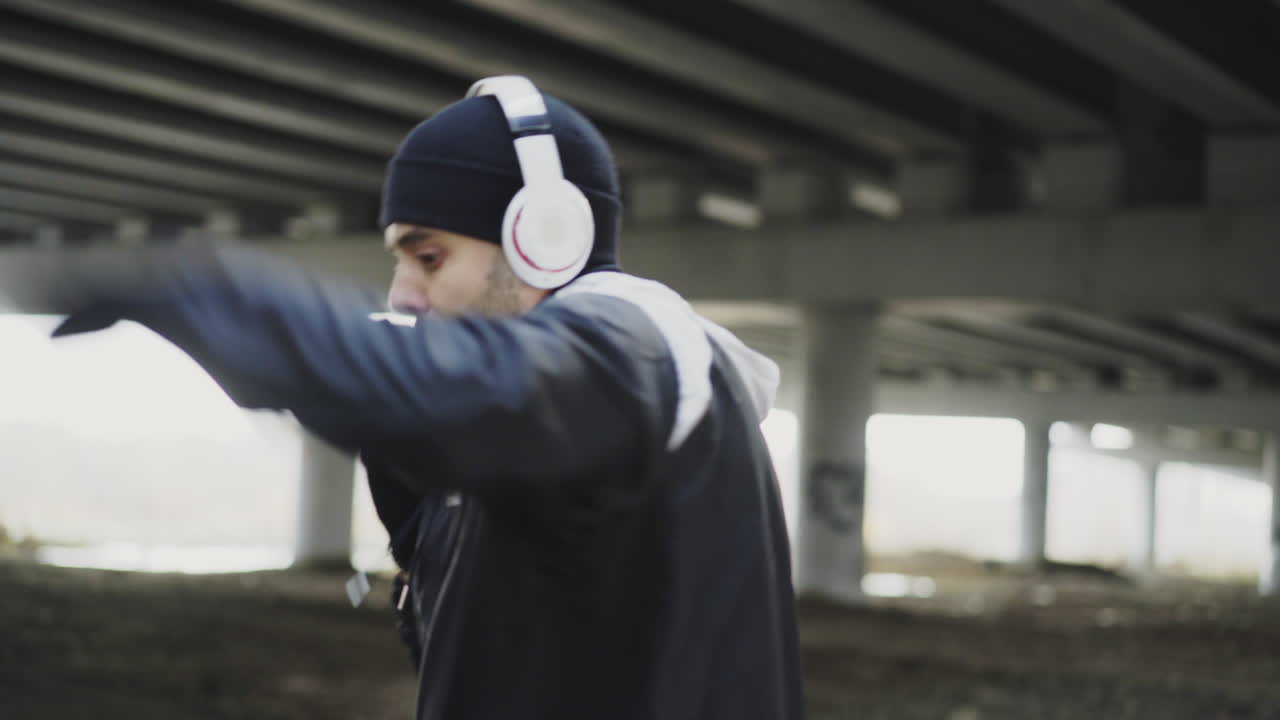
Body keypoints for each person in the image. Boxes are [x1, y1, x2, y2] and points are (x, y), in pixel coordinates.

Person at [4, 76, 804, 719]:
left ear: (545, 234)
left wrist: (205, 291)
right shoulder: (549, 423)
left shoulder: (629, 357)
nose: (405, 292)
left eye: (428, 256)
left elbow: (437, 384)